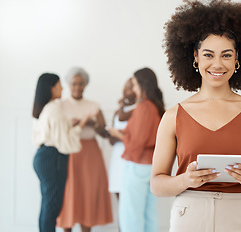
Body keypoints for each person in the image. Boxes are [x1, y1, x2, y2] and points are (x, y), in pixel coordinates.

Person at [150, 0, 241, 232]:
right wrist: (185, 180)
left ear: (237, 59)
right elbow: (157, 184)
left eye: (226, 55)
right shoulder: (174, 116)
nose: (217, 64)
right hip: (189, 215)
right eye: (208, 54)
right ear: (195, 57)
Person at [32, 73, 92, 232]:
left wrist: (69, 128)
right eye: (59, 85)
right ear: (50, 88)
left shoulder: (45, 108)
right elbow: (63, 143)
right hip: (53, 158)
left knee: (48, 203)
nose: (62, 87)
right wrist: (81, 125)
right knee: (52, 205)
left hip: (43, 156)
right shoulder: (55, 108)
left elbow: (58, 135)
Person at [56, 67, 113, 232]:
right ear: (68, 84)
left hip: (90, 154)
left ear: (85, 85)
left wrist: (92, 124)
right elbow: (58, 130)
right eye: (74, 83)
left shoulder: (94, 105)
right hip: (68, 153)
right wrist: (72, 124)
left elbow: (104, 132)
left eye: (81, 84)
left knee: (88, 194)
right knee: (68, 195)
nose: (77, 87)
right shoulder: (61, 105)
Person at [108, 68, 165, 232]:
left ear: (142, 85)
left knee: (131, 217)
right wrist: (124, 134)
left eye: (134, 85)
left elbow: (136, 144)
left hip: (137, 166)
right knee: (149, 216)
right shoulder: (155, 107)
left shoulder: (143, 108)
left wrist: (119, 136)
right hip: (151, 166)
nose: (133, 89)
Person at [108, 78, 136, 198]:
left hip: (131, 159)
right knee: (118, 193)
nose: (126, 90)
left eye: (129, 87)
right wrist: (112, 134)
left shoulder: (139, 110)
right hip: (118, 157)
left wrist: (118, 134)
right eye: (125, 87)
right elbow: (111, 140)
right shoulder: (118, 111)